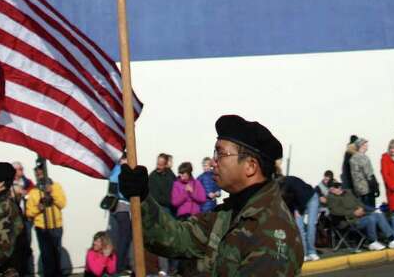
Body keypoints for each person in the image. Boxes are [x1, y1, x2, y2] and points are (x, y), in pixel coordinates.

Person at [116, 113, 303, 275]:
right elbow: (175, 238)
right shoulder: (228, 213)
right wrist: (142, 197)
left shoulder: (274, 231)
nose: (213, 163)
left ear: (250, 166)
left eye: (220, 154)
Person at [25, 160, 65, 277]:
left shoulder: (56, 186)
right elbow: (29, 213)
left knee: (56, 253)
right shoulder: (33, 191)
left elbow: (62, 203)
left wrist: (52, 193)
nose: (38, 175)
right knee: (46, 255)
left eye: (41, 172)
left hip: (56, 226)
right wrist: (38, 208)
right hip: (42, 228)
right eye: (36, 173)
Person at [324, 183, 392, 252]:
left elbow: (360, 203)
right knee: (371, 219)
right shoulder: (331, 198)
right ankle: (372, 242)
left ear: (340, 187)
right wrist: (353, 213)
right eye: (331, 188)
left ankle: (391, 238)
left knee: (378, 214)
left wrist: (365, 209)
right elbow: (336, 212)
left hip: (360, 216)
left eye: (335, 187)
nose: (332, 190)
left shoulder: (348, 193)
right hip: (348, 221)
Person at [278, 173, 319, 262]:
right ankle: (303, 253)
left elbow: (302, 197)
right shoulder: (279, 190)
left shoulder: (292, 181)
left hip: (310, 198)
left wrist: (297, 210)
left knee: (310, 225)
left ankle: (312, 252)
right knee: (299, 229)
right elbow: (288, 203)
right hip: (298, 205)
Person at [106, 155, 132, 274]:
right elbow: (122, 190)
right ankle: (120, 266)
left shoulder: (114, 170)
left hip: (116, 208)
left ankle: (121, 264)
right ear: (123, 159)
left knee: (122, 236)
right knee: (124, 237)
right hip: (122, 207)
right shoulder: (121, 170)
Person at [347, 139, 378, 210]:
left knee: (363, 210)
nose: (367, 146)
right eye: (365, 144)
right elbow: (369, 174)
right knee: (370, 211)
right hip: (367, 189)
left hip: (358, 190)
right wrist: (375, 187)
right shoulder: (363, 157)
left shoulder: (352, 158)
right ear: (362, 146)